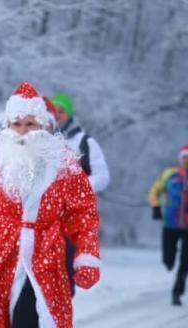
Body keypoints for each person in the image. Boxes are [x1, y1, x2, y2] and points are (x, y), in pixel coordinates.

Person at [0, 82, 101, 328]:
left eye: (30, 124)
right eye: (16, 124)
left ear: (43, 125)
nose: (23, 132)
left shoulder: (64, 165)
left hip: (46, 252)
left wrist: (87, 254)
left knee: (35, 318)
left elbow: (83, 213)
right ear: (7, 126)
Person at [50, 93, 110, 298]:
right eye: (53, 111)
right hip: (43, 219)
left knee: (66, 272)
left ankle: (61, 313)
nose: (57, 115)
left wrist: (76, 189)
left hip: (72, 218)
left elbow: (103, 176)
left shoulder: (85, 141)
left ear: (69, 114)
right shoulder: (39, 140)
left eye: (61, 111)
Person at [147, 143, 188, 305]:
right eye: (185, 158)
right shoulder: (169, 175)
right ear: (180, 159)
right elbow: (154, 191)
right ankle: (169, 261)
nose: (187, 161)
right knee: (168, 260)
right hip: (170, 224)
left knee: (185, 260)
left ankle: (177, 292)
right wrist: (156, 206)